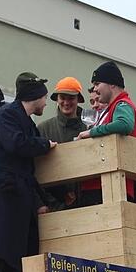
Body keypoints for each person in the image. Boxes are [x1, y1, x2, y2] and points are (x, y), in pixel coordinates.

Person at [0, 72, 57, 272]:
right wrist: (44, 145)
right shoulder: (7, 114)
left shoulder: (26, 123)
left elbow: (28, 170)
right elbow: (16, 144)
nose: (46, 103)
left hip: (16, 201)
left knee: (15, 264)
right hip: (1, 200)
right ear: (36, 96)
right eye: (45, 98)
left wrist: (41, 202)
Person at [76, 62, 136, 205]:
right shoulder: (112, 108)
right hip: (103, 185)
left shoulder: (122, 104)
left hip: (110, 187)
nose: (95, 89)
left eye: (97, 83)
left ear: (112, 84)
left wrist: (91, 132)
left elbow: (125, 124)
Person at [37, 77, 88, 210]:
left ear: (78, 100)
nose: (66, 102)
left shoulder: (89, 128)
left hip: (86, 201)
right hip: (53, 205)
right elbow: (37, 170)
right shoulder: (43, 129)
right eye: (62, 98)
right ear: (57, 99)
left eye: (71, 98)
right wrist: (52, 203)